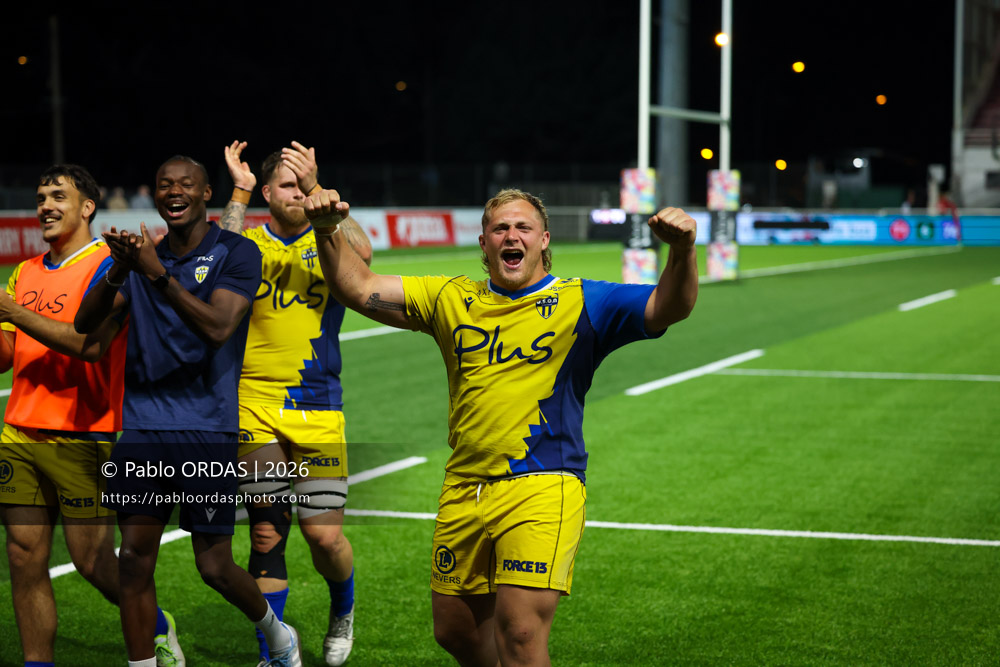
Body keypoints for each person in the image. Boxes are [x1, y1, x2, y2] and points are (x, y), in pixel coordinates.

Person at [302, 187, 698, 665]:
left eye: (523, 228)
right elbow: (357, 285)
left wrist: (681, 251)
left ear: (543, 240)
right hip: (464, 486)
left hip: (543, 484)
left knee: (521, 634)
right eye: (501, 228)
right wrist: (325, 229)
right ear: (484, 243)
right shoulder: (450, 298)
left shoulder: (584, 301)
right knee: (455, 632)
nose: (512, 236)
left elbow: (668, 307)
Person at [74, 155, 302, 667]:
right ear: (156, 197)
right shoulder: (142, 260)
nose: (174, 192)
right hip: (144, 429)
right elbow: (88, 326)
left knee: (215, 566)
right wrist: (117, 271)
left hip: (207, 428)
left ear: (204, 195)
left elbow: (220, 326)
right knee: (133, 559)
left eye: (186, 185)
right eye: (164, 185)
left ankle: (277, 633)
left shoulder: (236, 253)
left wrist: (156, 278)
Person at [0, 164, 184, 667]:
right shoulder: (25, 271)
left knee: (92, 562)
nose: (45, 205)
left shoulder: (112, 266)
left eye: (58, 195)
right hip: (18, 431)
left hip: (84, 433)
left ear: (87, 208)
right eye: (40, 196)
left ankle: (158, 624)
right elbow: (6, 356)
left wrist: (13, 313)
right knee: (23, 556)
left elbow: (88, 347)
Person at [217, 140, 372, 666]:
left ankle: (342, 610)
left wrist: (315, 190)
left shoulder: (327, 238)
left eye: (300, 183)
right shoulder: (249, 244)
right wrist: (236, 191)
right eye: (285, 184)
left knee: (323, 537)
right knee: (265, 531)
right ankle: (276, 651)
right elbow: (212, 257)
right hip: (252, 405)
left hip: (317, 407)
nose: (295, 193)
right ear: (266, 192)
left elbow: (364, 257)